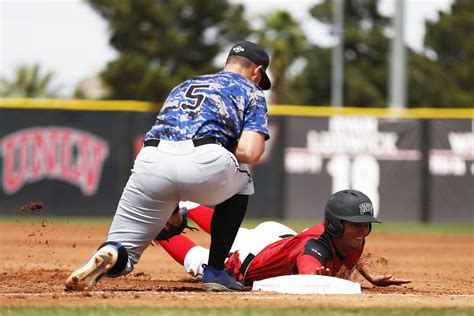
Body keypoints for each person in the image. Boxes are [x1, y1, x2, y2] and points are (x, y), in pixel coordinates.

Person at [65, 40, 272, 292]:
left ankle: (111, 252)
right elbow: (251, 152)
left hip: (150, 160)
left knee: (125, 252)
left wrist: (172, 210)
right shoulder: (251, 91)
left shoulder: (185, 85)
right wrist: (225, 146)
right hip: (205, 161)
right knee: (243, 180)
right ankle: (216, 271)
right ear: (257, 71)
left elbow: (174, 141)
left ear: (227, 63)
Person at [157, 190, 412, 287]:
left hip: (277, 239)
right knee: (199, 260)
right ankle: (158, 225)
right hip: (250, 258)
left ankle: (187, 205)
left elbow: (350, 254)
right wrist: (318, 283)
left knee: (230, 231)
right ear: (335, 225)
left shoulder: (352, 237)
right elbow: (308, 280)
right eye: (356, 225)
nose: (362, 231)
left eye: (366, 225)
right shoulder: (314, 249)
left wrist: (370, 275)